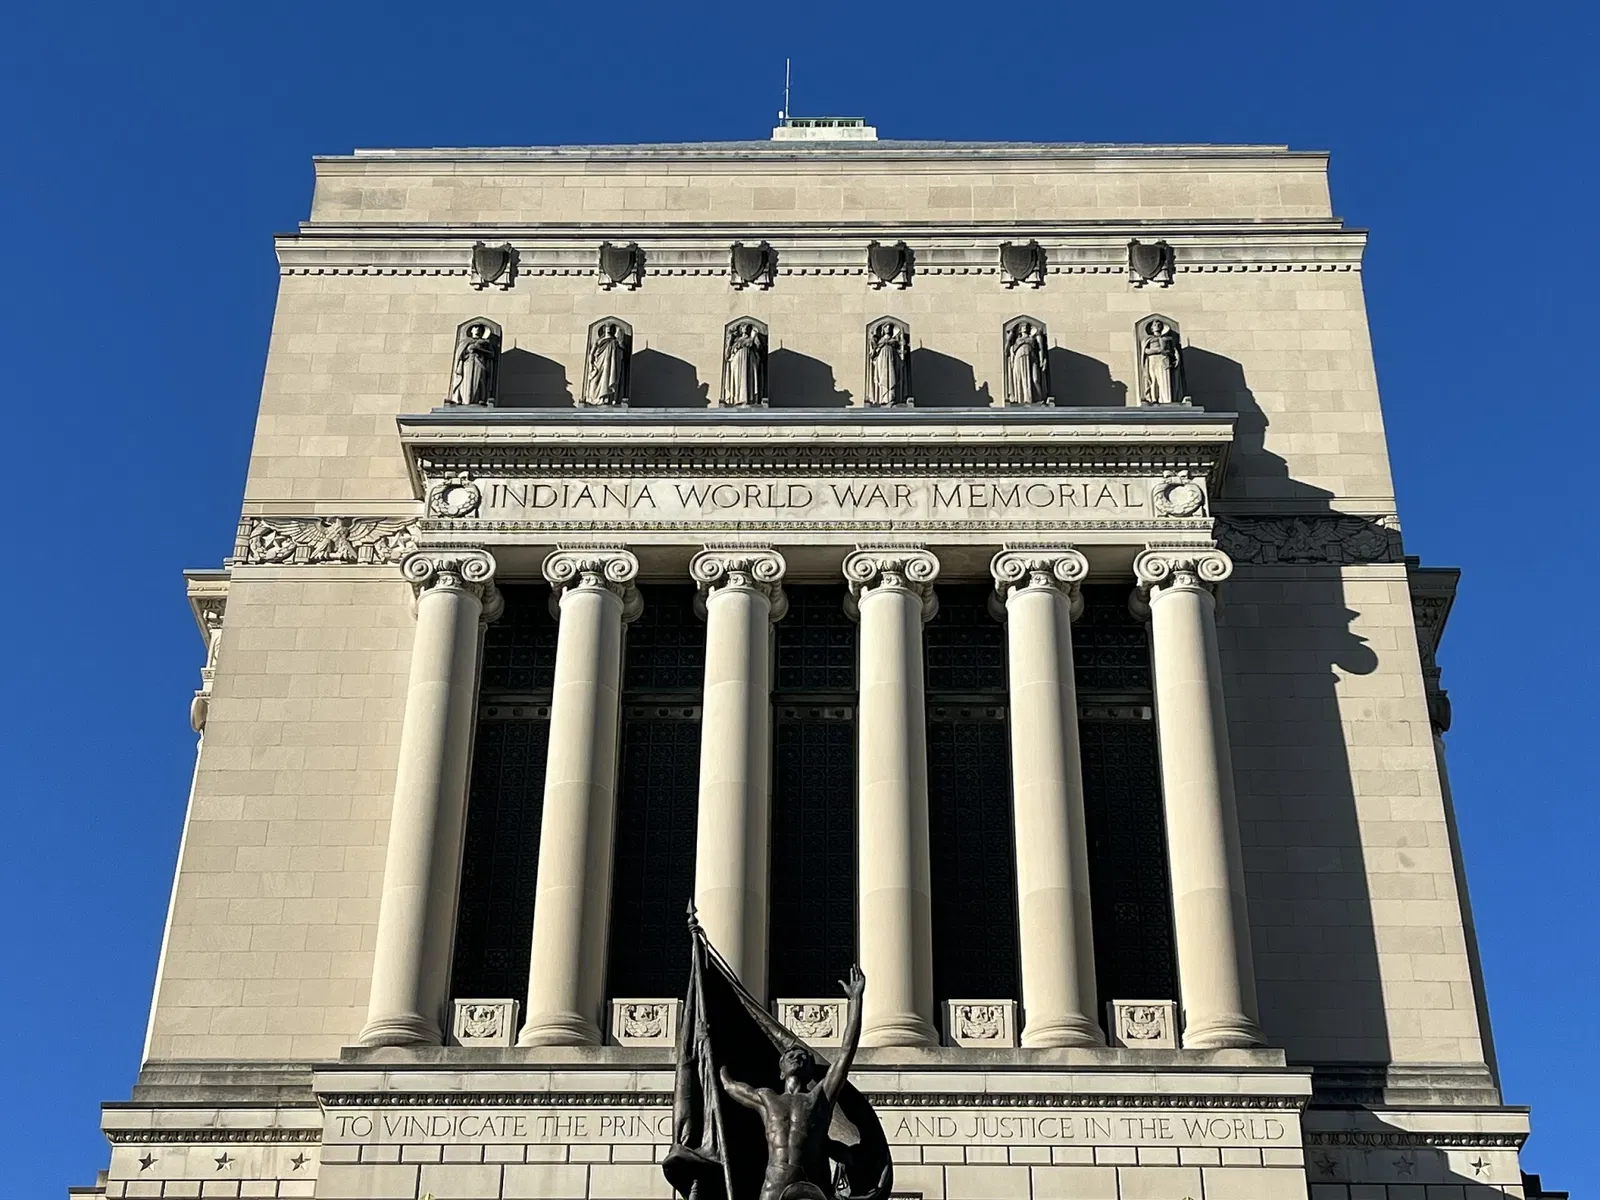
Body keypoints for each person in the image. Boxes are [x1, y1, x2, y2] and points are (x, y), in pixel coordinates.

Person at [718, 966, 867, 1200]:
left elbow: (846, 1053)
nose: (798, 1056)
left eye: (804, 1057)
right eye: (791, 1056)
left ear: (811, 1071)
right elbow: (728, 1085)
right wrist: (714, 1053)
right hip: (772, 1188)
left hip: (812, 1187)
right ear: (780, 1071)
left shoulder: (819, 1097)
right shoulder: (766, 1097)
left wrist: (856, 1002)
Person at [450, 323, 496, 406]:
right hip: (467, 363)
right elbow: (459, 355)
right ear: (471, 330)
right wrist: (467, 351)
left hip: (479, 363)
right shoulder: (465, 342)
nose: (477, 329)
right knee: (466, 381)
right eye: (475, 327)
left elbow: (492, 354)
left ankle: (480, 399)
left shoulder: (486, 342)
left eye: (480, 328)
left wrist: (479, 349)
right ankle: (462, 399)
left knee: (479, 380)